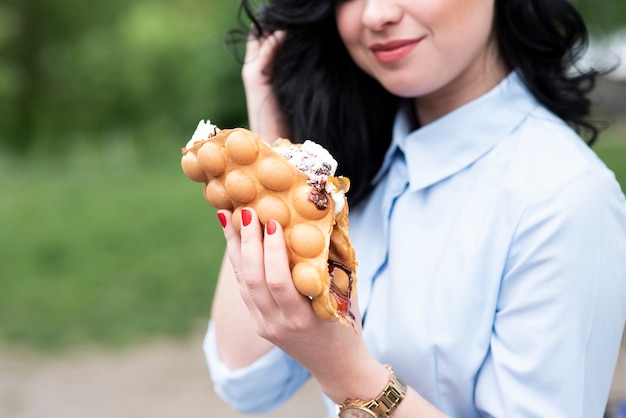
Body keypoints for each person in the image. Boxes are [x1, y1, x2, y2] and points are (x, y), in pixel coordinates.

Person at [203, 0, 626, 416]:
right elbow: (245, 381)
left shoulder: (564, 196)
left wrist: (348, 372)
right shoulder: (346, 169)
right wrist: (270, 156)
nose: (376, 14)